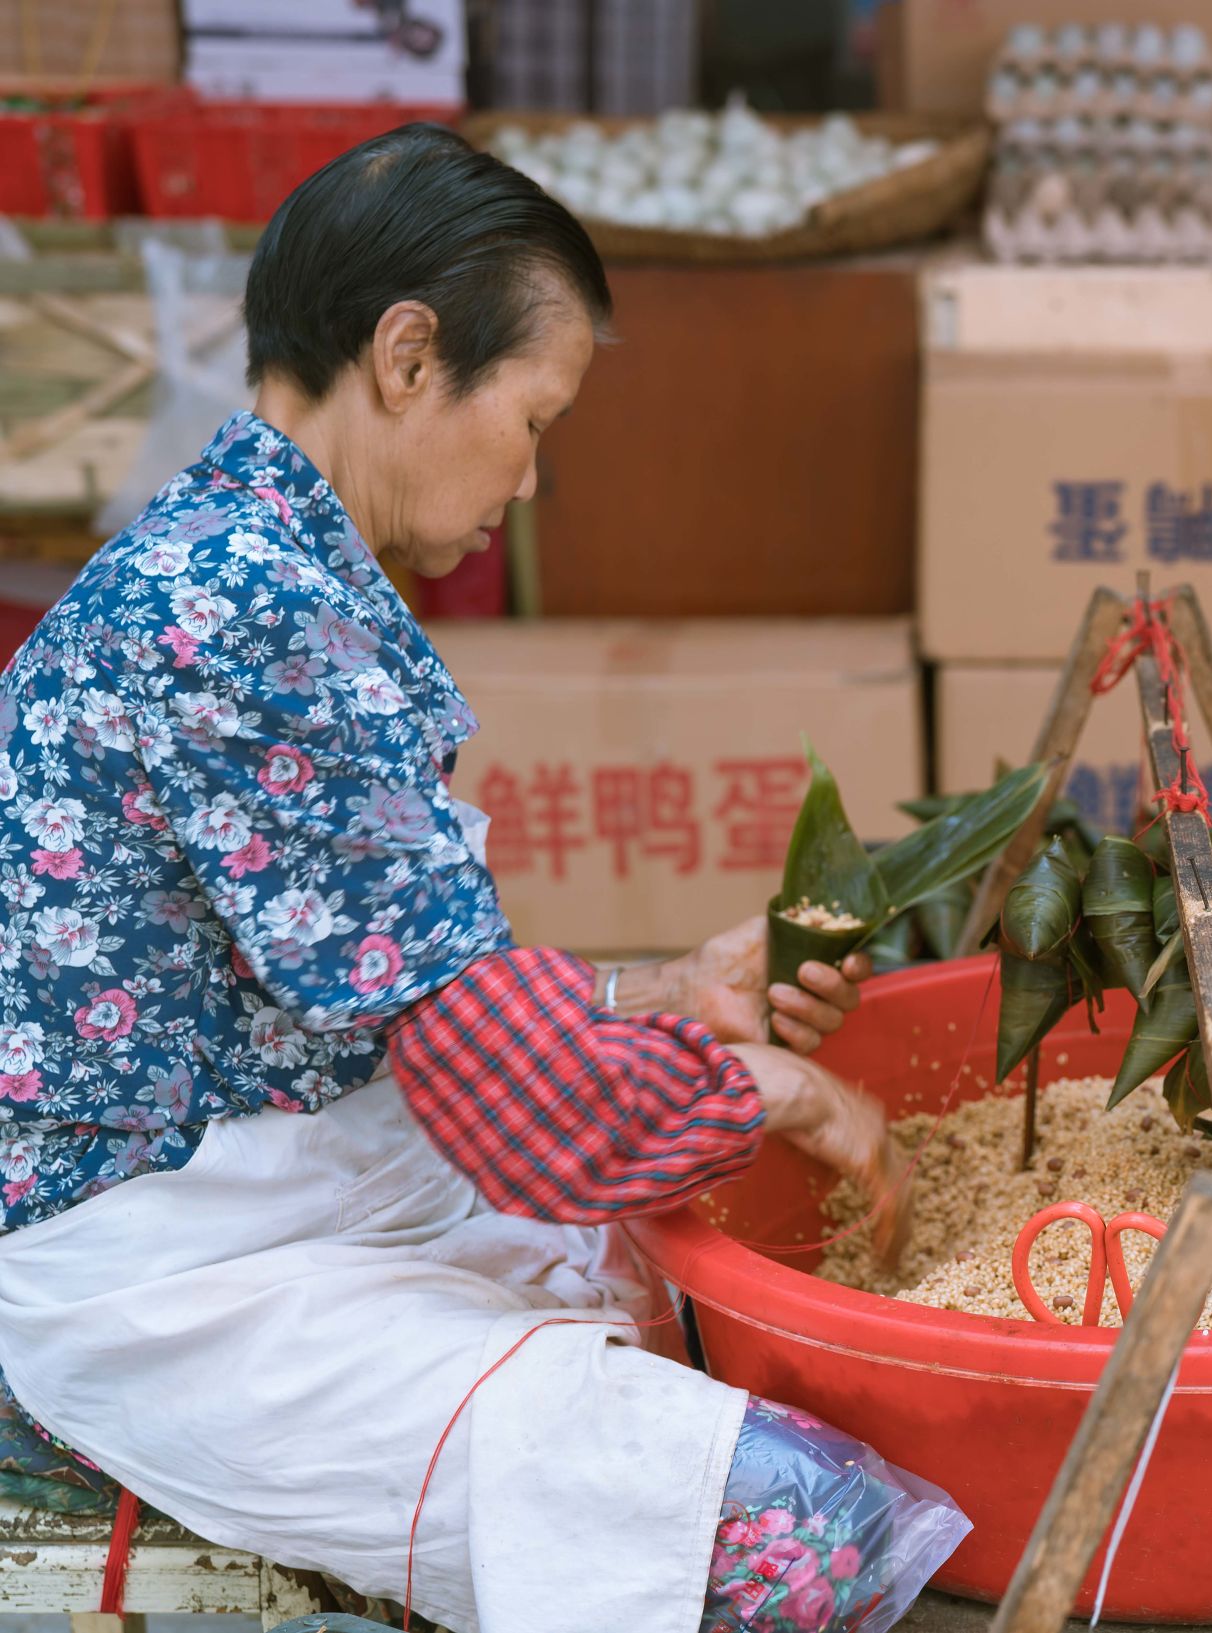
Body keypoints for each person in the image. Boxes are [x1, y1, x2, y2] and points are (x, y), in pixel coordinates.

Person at [0, 125, 966, 1633]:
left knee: (676, 1325)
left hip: (278, 1187)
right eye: (532, 415)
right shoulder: (242, 612)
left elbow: (377, 976)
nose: (534, 474)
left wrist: (660, 993)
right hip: (168, 1270)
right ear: (405, 358)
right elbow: (533, 1115)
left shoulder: (261, 566)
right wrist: (796, 1095)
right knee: (809, 1531)